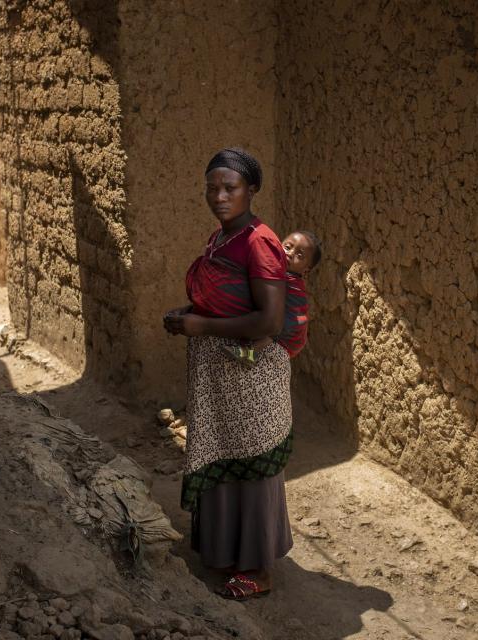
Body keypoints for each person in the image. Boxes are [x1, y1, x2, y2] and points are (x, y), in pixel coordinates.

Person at [163, 148, 293, 600]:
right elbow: (223, 295)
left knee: (251, 468)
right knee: (221, 458)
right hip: (219, 374)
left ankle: (257, 570)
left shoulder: (259, 241)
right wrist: (189, 314)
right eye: (211, 188)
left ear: (251, 191)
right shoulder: (222, 237)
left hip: (251, 378)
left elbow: (270, 321)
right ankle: (222, 554)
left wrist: (202, 326)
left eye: (230, 188)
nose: (219, 196)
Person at [220, 229, 322, 367]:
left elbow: (294, 316)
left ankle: (250, 353)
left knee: (275, 325)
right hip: (286, 327)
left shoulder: (292, 283)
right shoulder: (277, 272)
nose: (290, 254)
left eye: (299, 255)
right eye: (287, 247)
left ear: (306, 270)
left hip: (291, 333)